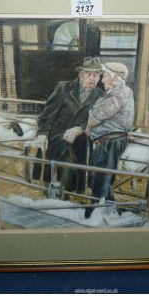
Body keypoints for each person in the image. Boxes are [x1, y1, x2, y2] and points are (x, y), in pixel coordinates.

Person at [33, 57, 104, 194]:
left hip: (80, 139)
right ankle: (51, 191)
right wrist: (42, 133)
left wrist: (82, 128)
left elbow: (99, 119)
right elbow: (48, 114)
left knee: (73, 166)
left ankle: (67, 196)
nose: (93, 79)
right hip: (57, 136)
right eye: (89, 74)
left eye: (96, 75)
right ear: (81, 75)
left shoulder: (100, 95)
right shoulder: (64, 88)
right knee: (53, 164)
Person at [85, 62, 135, 208]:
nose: (103, 80)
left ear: (116, 77)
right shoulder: (117, 93)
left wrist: (89, 124)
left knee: (101, 177)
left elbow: (97, 116)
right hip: (108, 140)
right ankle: (108, 207)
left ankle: (96, 210)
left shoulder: (118, 94)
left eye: (106, 75)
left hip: (110, 141)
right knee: (103, 176)